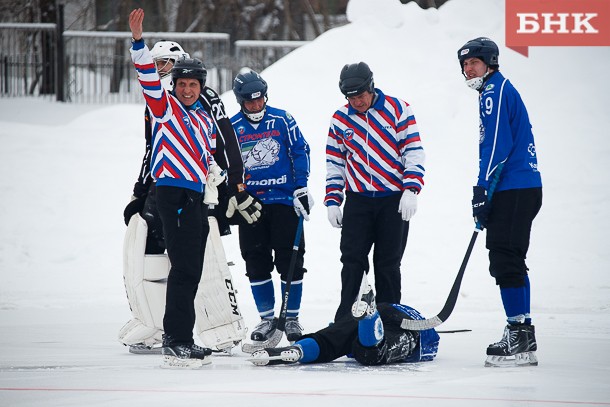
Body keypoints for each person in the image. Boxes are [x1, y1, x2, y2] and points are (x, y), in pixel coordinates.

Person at [128, 8, 220, 368]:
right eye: (181, 83)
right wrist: (139, 42)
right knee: (182, 268)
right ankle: (176, 340)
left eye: (192, 85)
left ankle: (183, 336)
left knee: (192, 269)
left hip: (195, 196)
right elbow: (148, 76)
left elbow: (206, 155)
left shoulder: (203, 117)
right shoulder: (165, 108)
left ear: (200, 87)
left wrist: (213, 173)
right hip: (173, 194)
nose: (185, 89)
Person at [457, 37, 542, 367]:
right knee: (511, 258)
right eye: (464, 65)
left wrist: (482, 191)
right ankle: (523, 332)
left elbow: (496, 147)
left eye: (474, 63)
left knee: (505, 258)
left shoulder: (493, 91)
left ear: (489, 63)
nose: (468, 69)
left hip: (513, 187)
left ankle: (519, 333)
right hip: (522, 187)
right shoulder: (497, 89)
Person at [325, 62, 425, 322]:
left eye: (360, 95)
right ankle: (347, 319)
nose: (357, 101)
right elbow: (335, 162)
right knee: (352, 261)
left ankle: (390, 319)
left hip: (393, 199)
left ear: (371, 87)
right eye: (351, 97)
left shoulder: (398, 109)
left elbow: (413, 150)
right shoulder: (340, 119)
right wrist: (333, 200)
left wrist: (411, 188)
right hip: (358, 201)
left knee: (388, 263)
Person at [231, 70, 313, 343]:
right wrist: (232, 195)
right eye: (250, 102)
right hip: (250, 205)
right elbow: (228, 166)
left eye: (260, 99)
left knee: (290, 261)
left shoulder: (282, 118)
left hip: (283, 200)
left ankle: (291, 318)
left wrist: (301, 187)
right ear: (240, 101)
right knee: (255, 261)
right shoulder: (232, 127)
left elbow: (300, 149)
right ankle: (267, 319)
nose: (256, 105)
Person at [250, 274, 439, 366]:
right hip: (408, 325)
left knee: (330, 339)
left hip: (383, 310)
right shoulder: (429, 336)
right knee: (374, 354)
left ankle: (296, 350)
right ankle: (370, 317)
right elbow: (430, 343)